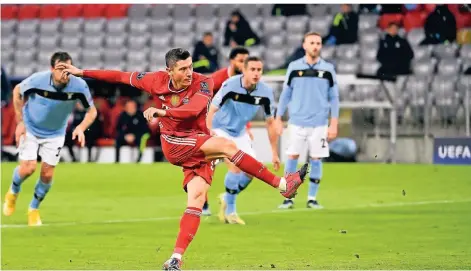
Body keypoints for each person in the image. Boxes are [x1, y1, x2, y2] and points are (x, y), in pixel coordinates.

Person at [58, 48, 307, 271]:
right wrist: (82, 71)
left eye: (190, 67)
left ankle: (175, 258)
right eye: (183, 69)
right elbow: (120, 76)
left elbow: (192, 110)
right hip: (175, 143)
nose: (189, 72)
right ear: (169, 70)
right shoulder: (156, 80)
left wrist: (161, 111)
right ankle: (282, 185)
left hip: (198, 142)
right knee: (228, 146)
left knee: (196, 200)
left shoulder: (203, 83)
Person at [2, 52, 97, 226]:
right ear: (52, 69)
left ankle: (33, 208)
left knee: (47, 174)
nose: (65, 73)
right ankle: (13, 192)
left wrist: (81, 127)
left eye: (68, 68)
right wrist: (20, 122)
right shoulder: (38, 80)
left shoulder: (79, 86)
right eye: (61, 69)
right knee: (28, 168)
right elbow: (17, 92)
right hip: (31, 128)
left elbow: (92, 111)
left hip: (55, 133)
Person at [207, 56, 280, 225]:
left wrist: (274, 153)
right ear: (245, 71)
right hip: (220, 129)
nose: (256, 73)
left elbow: (270, 124)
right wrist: (209, 132)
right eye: (252, 69)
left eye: (259, 70)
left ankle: (227, 196)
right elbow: (211, 109)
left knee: (252, 170)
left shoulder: (265, 92)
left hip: (240, 133)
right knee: (235, 166)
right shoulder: (230, 85)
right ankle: (231, 212)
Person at [276, 32, 340, 210]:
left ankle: (312, 198)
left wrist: (334, 122)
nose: (315, 46)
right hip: (297, 121)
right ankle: (289, 197)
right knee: (292, 157)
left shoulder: (328, 69)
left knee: (316, 158)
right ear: (304, 45)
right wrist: (278, 118)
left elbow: (334, 97)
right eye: (312, 43)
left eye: (318, 43)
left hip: (319, 122)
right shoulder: (294, 67)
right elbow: (285, 94)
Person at [200, 46, 250, 216]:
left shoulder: (246, 81)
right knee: (206, 166)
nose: (244, 65)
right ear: (232, 61)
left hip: (235, 130)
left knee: (249, 170)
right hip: (213, 128)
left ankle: (227, 198)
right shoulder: (217, 79)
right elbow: (200, 99)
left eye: (246, 61)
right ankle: (207, 205)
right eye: (241, 61)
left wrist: (247, 127)